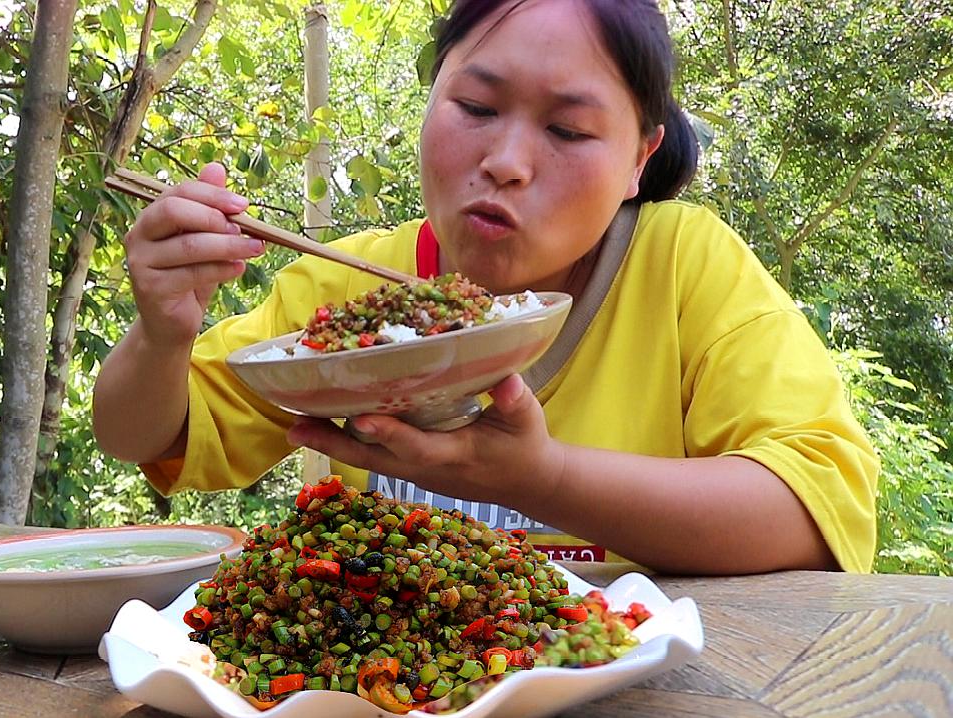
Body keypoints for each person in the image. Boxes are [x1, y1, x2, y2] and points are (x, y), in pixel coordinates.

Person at [92, 0, 878, 575]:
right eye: (474, 106)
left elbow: (813, 511)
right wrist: (163, 332)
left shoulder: (682, 265)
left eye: (567, 130)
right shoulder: (348, 289)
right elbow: (146, 435)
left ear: (641, 156)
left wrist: (544, 480)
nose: (505, 160)